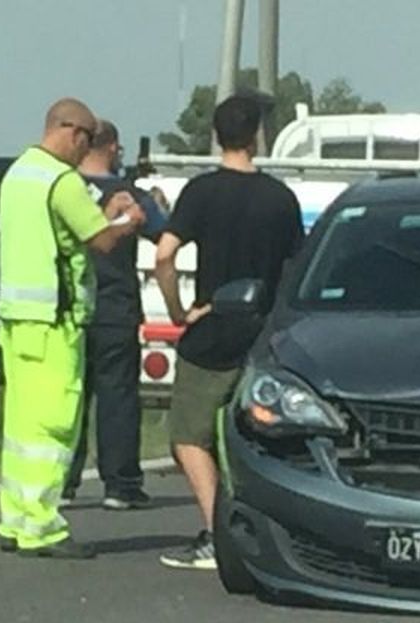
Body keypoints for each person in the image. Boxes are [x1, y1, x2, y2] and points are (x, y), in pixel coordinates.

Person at [154, 94, 304, 570]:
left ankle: (218, 534)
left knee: (189, 436)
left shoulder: (201, 193)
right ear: (257, 135)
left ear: (217, 136)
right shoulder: (281, 198)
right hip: (262, 336)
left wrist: (181, 311)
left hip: (213, 331)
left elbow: (163, 255)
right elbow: (296, 267)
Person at [0, 98, 144, 559]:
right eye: (88, 141)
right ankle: (42, 526)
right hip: (55, 322)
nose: (88, 151)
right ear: (73, 133)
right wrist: (129, 220)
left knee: (21, 426)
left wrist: (107, 211)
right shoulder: (62, 181)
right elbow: (99, 239)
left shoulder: (19, 173)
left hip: (17, 319)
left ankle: (15, 517)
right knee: (53, 428)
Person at [62, 119, 168, 509]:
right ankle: (120, 484)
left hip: (71, 307)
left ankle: (63, 482)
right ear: (110, 148)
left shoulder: (64, 191)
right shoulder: (129, 194)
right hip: (116, 308)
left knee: (69, 397)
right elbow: (164, 233)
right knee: (118, 395)